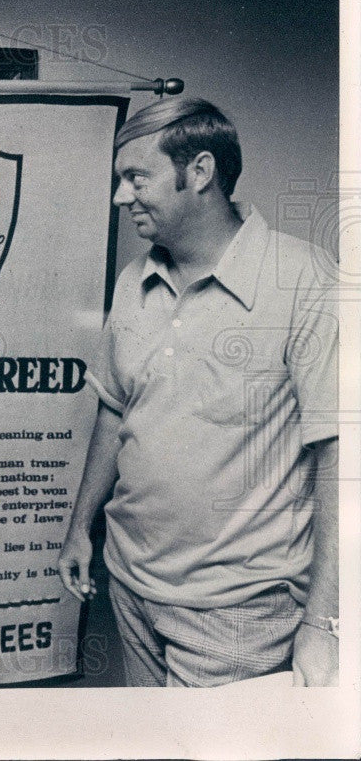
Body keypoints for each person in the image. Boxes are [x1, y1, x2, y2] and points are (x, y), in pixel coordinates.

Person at [57, 98, 339, 687]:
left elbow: (339, 458)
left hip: (239, 613)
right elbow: (114, 412)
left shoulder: (305, 280)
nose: (120, 197)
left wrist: (322, 623)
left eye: (136, 177)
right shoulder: (135, 280)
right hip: (129, 586)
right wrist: (80, 526)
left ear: (201, 172)